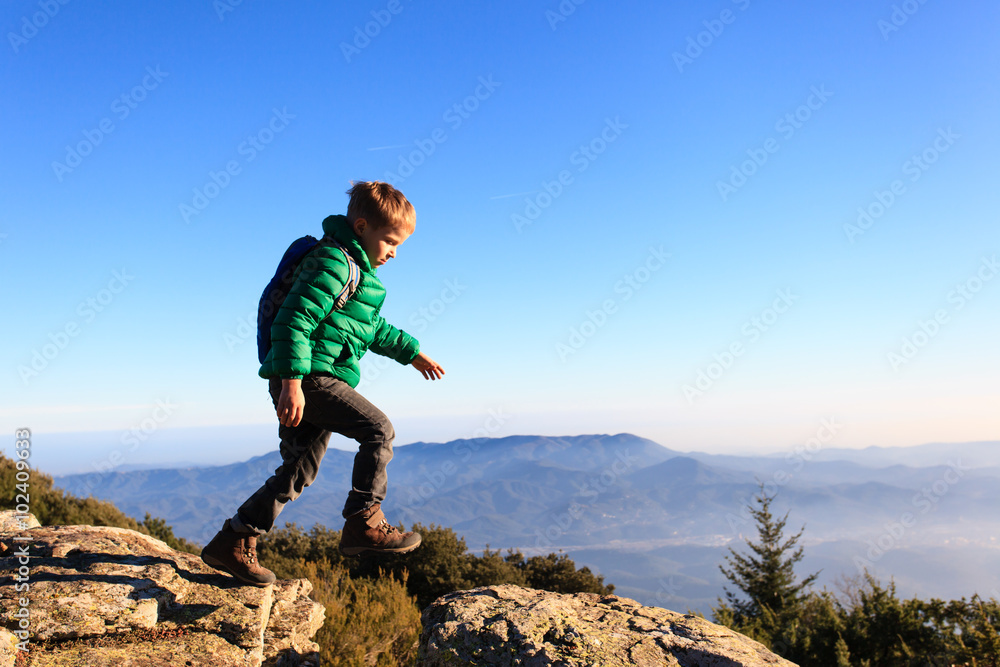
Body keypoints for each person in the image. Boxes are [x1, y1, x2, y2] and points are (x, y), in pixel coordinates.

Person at [201, 181, 444, 586]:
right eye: (389, 241)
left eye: (398, 245)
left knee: (299, 469)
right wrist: (292, 382)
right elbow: (293, 319)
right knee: (378, 429)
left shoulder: (356, 274)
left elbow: (371, 327)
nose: (393, 253)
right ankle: (364, 521)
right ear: (362, 227)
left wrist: (411, 351)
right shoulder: (334, 263)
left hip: (304, 376)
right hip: (308, 376)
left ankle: (234, 539)